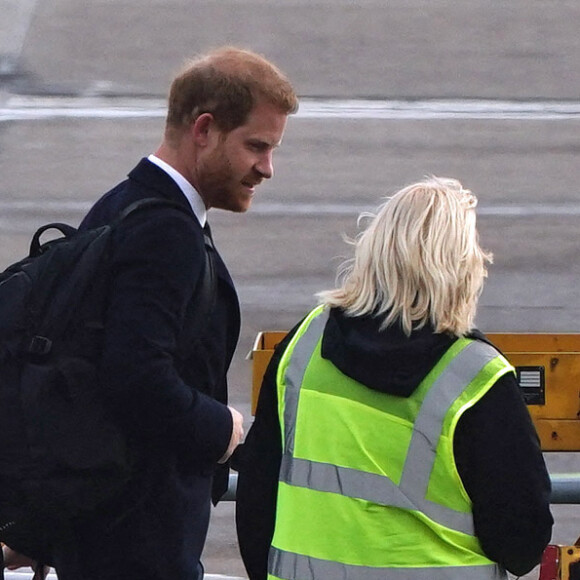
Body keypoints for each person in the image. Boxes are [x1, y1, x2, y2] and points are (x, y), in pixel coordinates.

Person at [5, 46, 298, 580]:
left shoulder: (120, 206)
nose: (267, 168)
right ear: (204, 129)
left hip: (101, 529)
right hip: (138, 539)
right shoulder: (164, 232)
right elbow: (135, 377)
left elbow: (78, 379)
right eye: (256, 146)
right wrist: (225, 429)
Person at [234, 177, 553, 579]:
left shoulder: (304, 347)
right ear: (463, 268)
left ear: (373, 251)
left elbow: (256, 501)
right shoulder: (475, 379)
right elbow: (522, 541)